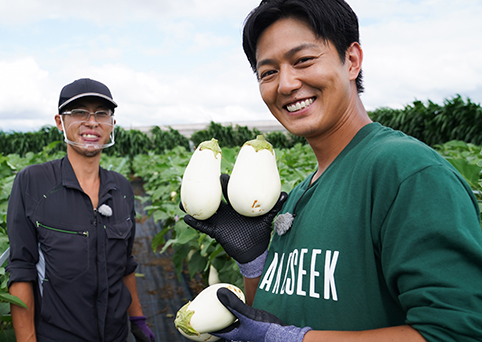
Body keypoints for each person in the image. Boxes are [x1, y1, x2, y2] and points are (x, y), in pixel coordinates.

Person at [183, 0, 482, 341]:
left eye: (303, 61)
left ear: (352, 60)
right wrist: (254, 262)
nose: (286, 84)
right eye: (268, 72)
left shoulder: (408, 173)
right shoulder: (296, 195)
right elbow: (272, 318)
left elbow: (456, 332)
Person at [6, 78, 156, 342]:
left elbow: (125, 264)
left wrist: (138, 321)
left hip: (115, 334)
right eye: (79, 112)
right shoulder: (33, 182)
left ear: (112, 124)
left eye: (102, 113)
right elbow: (21, 269)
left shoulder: (121, 187)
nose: (92, 122)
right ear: (59, 122)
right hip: (58, 335)